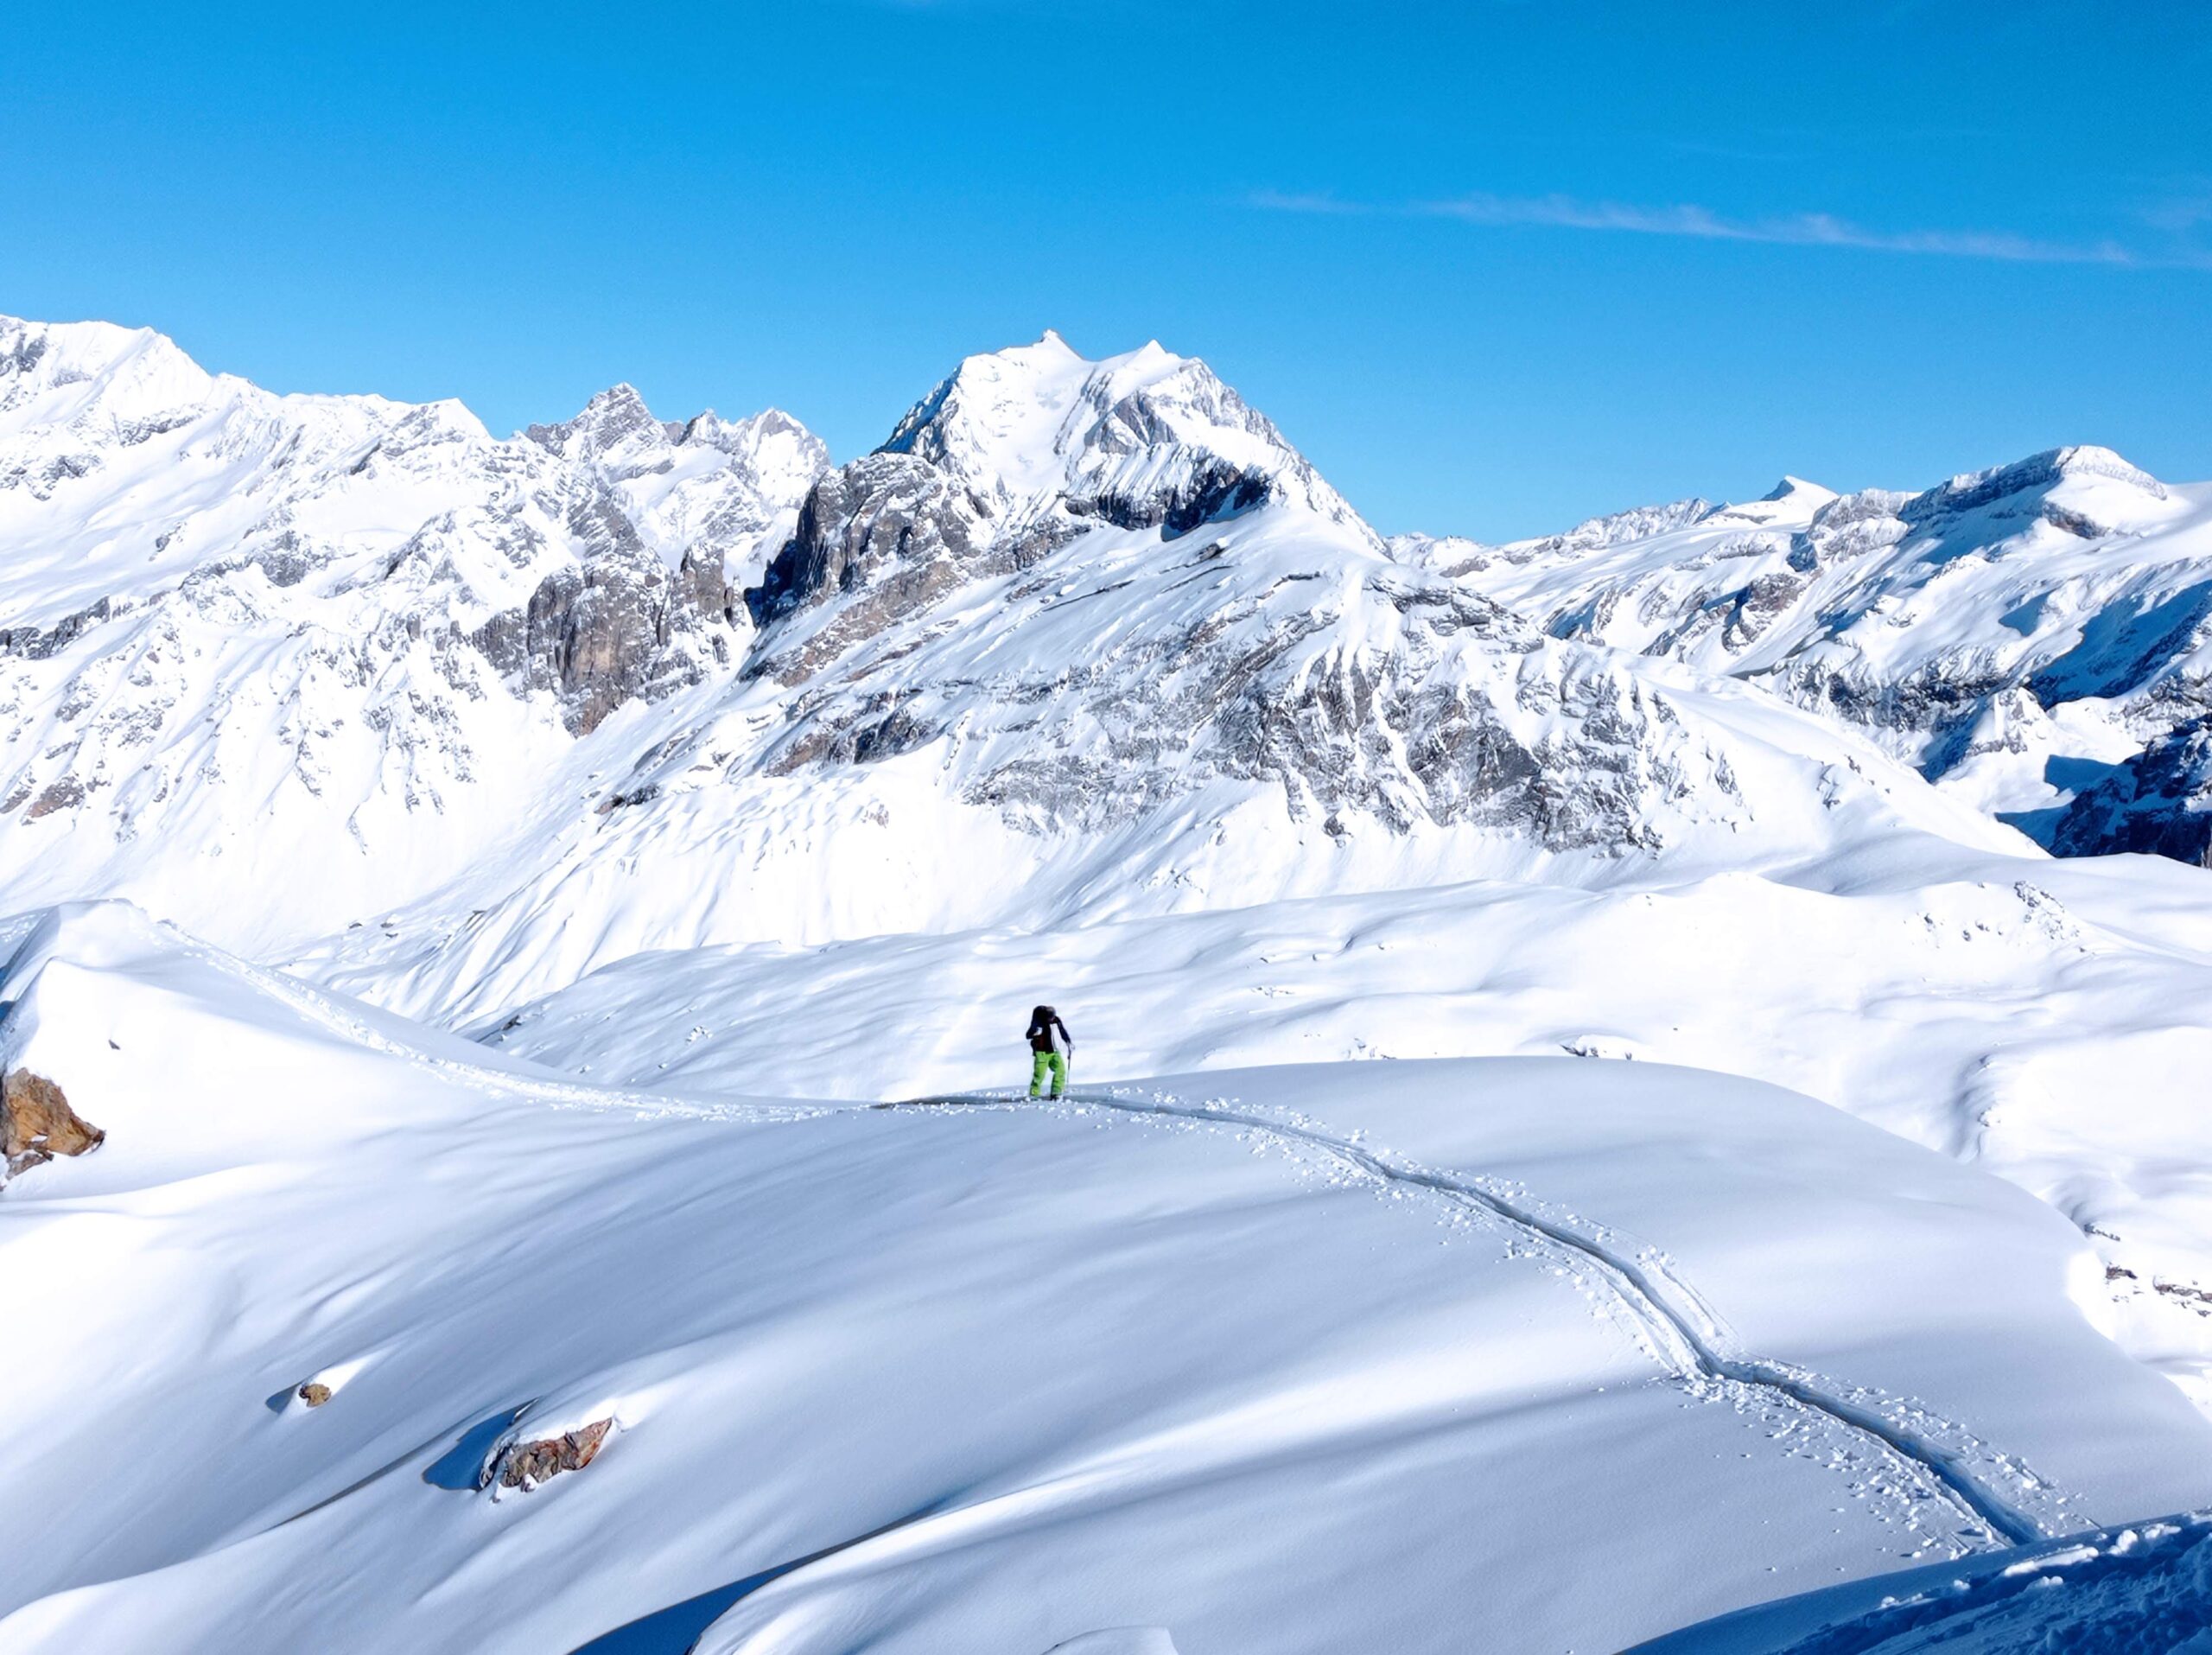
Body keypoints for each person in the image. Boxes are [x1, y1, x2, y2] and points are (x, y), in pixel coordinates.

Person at [1026, 1004, 1073, 1099]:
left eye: (1052, 1017)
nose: (1051, 1019)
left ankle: (1056, 1092)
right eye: (1049, 1017)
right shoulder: (1039, 1022)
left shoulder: (1057, 1021)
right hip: (1042, 1052)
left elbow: (1062, 1031)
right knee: (1039, 1074)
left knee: (1061, 1070)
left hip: (1055, 1051)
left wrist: (1068, 1041)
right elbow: (1028, 1035)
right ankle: (1034, 1093)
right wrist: (1035, 1033)